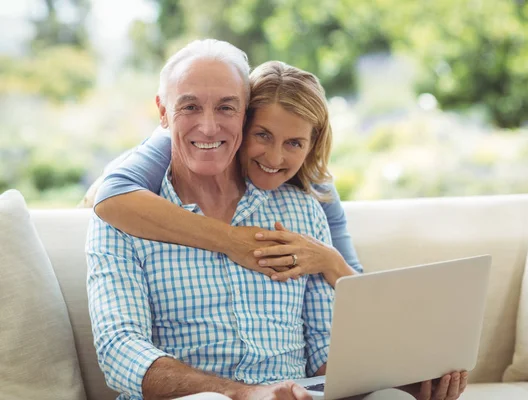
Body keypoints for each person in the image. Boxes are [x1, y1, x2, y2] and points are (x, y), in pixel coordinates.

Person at [87, 38, 468, 400]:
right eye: (189, 106)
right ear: (163, 112)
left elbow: (326, 350)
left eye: (225, 107)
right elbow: (120, 351)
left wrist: (403, 379)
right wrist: (244, 394)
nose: (208, 126)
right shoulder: (123, 215)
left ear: (243, 113)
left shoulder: (303, 210)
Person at [90, 62, 362, 288]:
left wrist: (329, 260)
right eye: (262, 135)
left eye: (294, 143)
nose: (275, 157)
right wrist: (232, 241)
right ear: (241, 124)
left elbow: (359, 288)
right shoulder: (174, 144)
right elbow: (112, 195)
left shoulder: (315, 187)